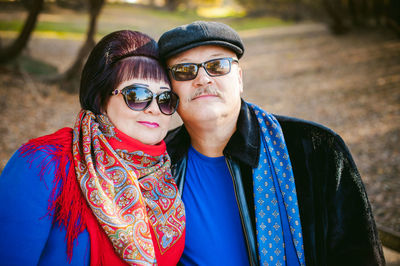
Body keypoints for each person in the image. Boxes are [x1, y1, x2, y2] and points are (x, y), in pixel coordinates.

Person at [158, 21, 385, 266]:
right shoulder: (155, 167)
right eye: (184, 70)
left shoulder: (317, 150)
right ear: (169, 89)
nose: (203, 78)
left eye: (217, 65)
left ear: (240, 78)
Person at [0, 30, 185, 266]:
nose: (154, 109)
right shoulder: (44, 163)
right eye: (137, 95)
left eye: (165, 99)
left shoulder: (171, 174)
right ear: (100, 99)